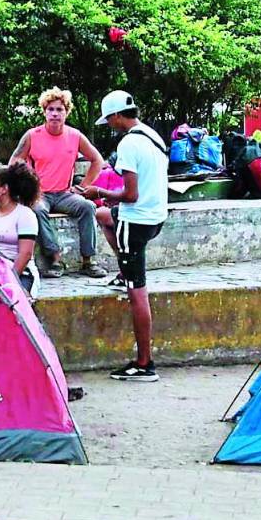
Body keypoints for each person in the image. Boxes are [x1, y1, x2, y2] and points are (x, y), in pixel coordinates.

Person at [79, 90, 168, 382]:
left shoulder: (129, 144)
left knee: (137, 293)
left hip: (136, 221)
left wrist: (99, 193)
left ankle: (144, 364)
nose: (110, 126)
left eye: (110, 120)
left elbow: (130, 195)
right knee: (104, 216)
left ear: (117, 116)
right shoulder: (151, 135)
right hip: (156, 216)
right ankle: (123, 270)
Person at [10, 87, 105, 278]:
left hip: (64, 193)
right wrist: (25, 186)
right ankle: (54, 259)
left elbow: (98, 160)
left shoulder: (75, 135)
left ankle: (88, 260)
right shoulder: (32, 135)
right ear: (44, 112)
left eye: (59, 109)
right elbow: (14, 162)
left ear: (66, 112)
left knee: (87, 206)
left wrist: (83, 187)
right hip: (39, 193)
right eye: (51, 109)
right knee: (36, 210)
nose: (55, 114)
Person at [0, 163, 41, 295]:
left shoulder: (25, 215)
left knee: (14, 298)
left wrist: (9, 280)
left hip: (20, 272)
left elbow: (25, 254)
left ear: (4, 189)